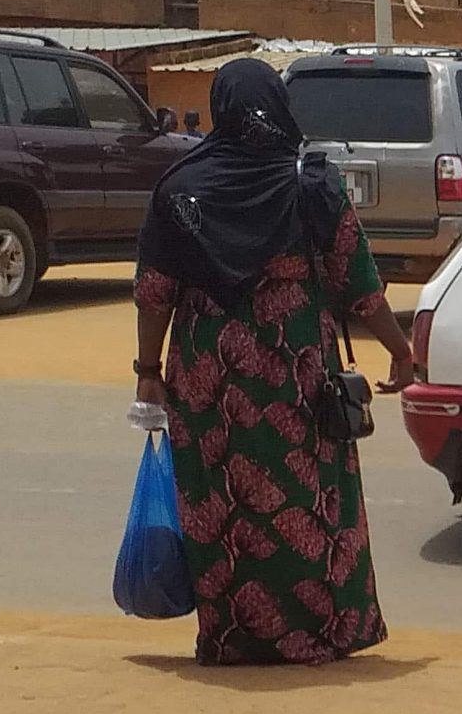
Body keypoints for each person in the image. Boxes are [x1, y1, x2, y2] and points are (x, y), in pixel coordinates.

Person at [132, 58, 421, 665]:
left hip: (206, 375)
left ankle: (232, 637)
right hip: (295, 368)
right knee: (308, 496)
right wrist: (400, 349)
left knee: (221, 501)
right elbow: (358, 282)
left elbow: (155, 292)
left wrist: (149, 373)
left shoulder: (181, 189)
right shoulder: (310, 182)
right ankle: (319, 632)